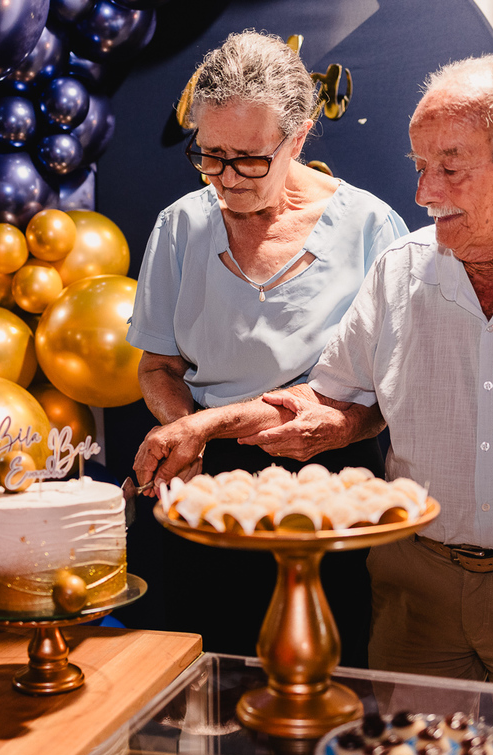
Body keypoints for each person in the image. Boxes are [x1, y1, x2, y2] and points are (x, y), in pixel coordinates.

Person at [135, 54, 493, 755]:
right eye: (419, 167)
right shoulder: (399, 272)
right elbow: (329, 401)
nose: (424, 193)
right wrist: (209, 426)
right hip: (415, 584)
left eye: (449, 169)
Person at [127, 30, 408, 666]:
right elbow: (158, 367)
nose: (226, 179)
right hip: (209, 479)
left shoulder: (371, 227)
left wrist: (345, 426)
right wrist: (187, 431)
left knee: (331, 675)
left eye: (250, 160)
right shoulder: (180, 225)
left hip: (332, 481)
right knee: (213, 680)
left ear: (299, 137)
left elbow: (398, 389)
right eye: (209, 155)